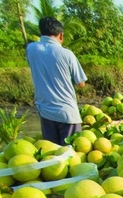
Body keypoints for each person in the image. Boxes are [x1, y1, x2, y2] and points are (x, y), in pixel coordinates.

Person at [26, 17, 87, 146]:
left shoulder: (31, 49)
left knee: (52, 155)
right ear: (61, 35)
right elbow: (81, 83)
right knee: (71, 156)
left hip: (45, 111)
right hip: (67, 113)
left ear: (41, 33)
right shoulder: (66, 53)